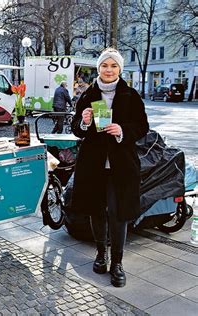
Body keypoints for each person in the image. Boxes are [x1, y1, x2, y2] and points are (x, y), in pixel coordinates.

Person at [70, 48, 149, 287]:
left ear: (119, 69)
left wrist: (122, 131)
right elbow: (75, 128)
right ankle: (100, 254)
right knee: (96, 210)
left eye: (114, 66)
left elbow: (142, 126)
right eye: (105, 65)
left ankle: (117, 262)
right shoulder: (87, 95)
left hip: (121, 165)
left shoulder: (130, 94)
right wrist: (83, 123)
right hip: (93, 164)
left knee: (118, 213)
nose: (109, 70)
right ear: (99, 68)